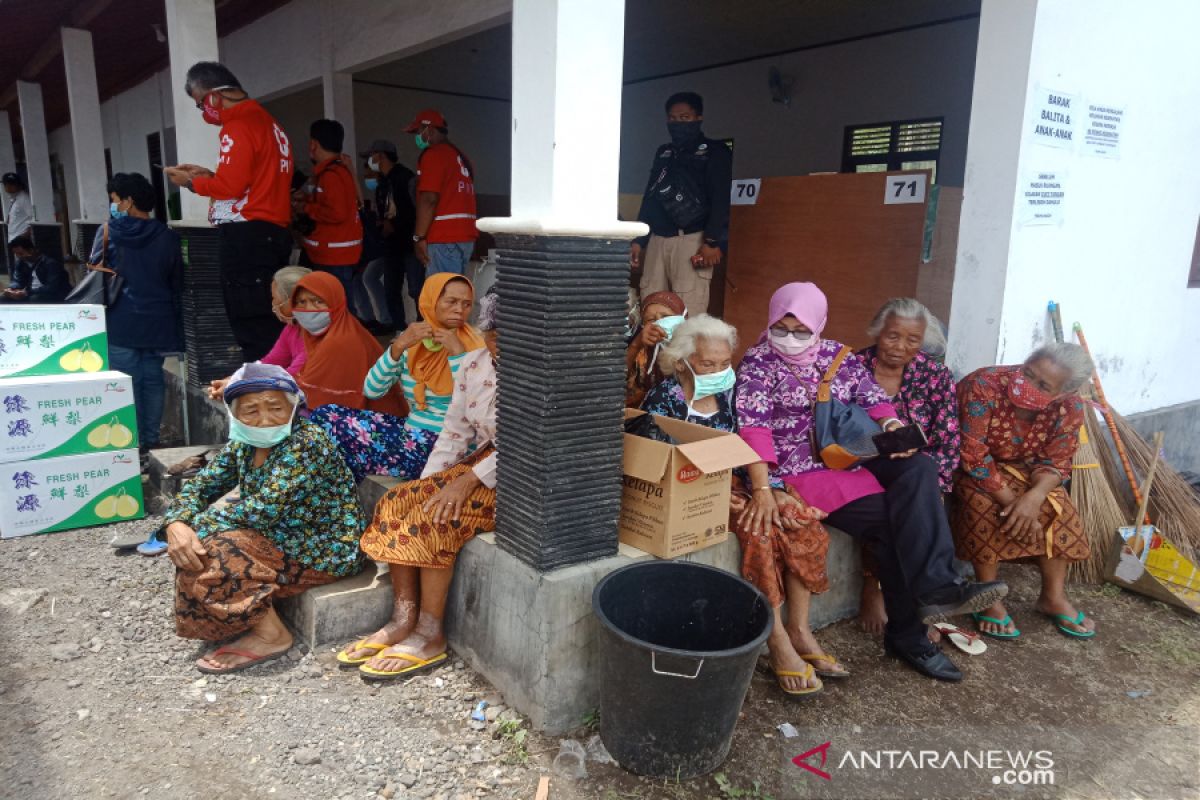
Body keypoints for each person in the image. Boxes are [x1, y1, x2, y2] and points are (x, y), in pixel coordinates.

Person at [735, 282, 1007, 685]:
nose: (790, 339)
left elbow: (870, 394)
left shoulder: (836, 355)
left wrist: (890, 423)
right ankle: (911, 632)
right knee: (894, 522)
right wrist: (762, 488)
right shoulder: (759, 363)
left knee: (920, 469)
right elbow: (753, 427)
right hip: (796, 470)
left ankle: (938, 585)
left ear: (819, 326)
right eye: (781, 328)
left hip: (848, 455)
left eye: (801, 330)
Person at [643, 314, 839, 696]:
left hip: (747, 479)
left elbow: (756, 440)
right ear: (683, 361)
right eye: (707, 364)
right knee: (759, 531)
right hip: (697, 487)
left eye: (723, 363)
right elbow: (665, 463)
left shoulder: (734, 393)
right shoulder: (664, 398)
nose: (719, 371)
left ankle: (800, 629)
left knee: (799, 521)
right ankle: (777, 640)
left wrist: (774, 489)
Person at [337, 291, 500, 679]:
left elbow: (529, 441)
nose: (502, 344)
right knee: (401, 502)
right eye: (496, 333)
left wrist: (462, 484)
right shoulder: (475, 363)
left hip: (522, 475)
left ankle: (430, 634)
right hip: (481, 462)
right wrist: (427, 488)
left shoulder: (541, 373)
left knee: (441, 518)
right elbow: (455, 432)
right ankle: (402, 619)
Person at [164, 363, 365, 674]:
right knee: (197, 541)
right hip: (278, 537)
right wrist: (177, 523)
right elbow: (203, 485)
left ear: (294, 406)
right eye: (251, 410)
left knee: (215, 548)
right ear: (234, 413)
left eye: (275, 408)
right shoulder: (244, 443)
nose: (265, 419)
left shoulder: (307, 443)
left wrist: (193, 527)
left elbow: (263, 509)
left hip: (321, 550)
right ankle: (235, 618)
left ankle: (272, 636)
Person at [952, 343, 1096, 640]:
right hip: (972, 467)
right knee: (982, 504)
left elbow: (1057, 461)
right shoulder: (983, 384)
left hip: (1024, 470)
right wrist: (1013, 503)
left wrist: (1033, 498)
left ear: (1062, 393)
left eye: (1043, 385)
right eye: (1028, 373)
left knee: (1058, 504)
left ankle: (1052, 597)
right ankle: (988, 597)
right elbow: (972, 453)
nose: (1027, 385)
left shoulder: (1070, 407)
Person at [164, 61, 293, 362]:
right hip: (270, 232)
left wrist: (192, 183)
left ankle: (264, 395)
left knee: (252, 325)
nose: (204, 112)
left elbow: (231, 187)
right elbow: (252, 179)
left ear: (212, 97)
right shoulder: (269, 123)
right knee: (271, 318)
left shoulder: (238, 125)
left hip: (248, 237)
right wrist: (209, 174)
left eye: (200, 105)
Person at [311, 273, 482, 483]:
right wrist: (398, 346)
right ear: (431, 300)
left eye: (466, 304)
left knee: (343, 452)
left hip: (449, 445)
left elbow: (475, 403)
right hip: (412, 433)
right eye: (451, 301)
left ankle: (333, 499)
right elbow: (372, 389)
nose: (459, 310)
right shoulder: (413, 342)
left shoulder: (475, 346)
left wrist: (458, 354)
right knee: (325, 415)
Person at [855, 298, 961, 635]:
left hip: (919, 471)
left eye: (912, 340)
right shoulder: (851, 369)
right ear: (877, 332)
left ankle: (922, 597)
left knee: (921, 490)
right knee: (891, 503)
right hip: (862, 466)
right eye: (892, 336)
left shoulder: (935, 375)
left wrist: (938, 486)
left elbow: (948, 438)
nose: (901, 347)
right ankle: (876, 586)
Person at [87, 173, 184, 453]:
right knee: (153, 380)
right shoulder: (168, 237)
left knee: (126, 383)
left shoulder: (108, 232)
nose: (113, 205)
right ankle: (151, 440)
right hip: (158, 321)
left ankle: (131, 441)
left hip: (121, 320)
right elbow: (177, 281)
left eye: (115, 200)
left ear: (128, 201)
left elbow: (95, 270)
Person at [630, 92, 732, 315]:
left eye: (684, 117)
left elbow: (721, 199)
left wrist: (713, 241)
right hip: (658, 239)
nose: (678, 123)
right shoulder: (664, 153)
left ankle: (686, 352)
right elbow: (650, 196)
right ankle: (650, 351)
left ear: (699, 118)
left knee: (689, 309)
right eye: (673, 119)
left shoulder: (716, 152)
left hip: (692, 240)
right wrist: (639, 239)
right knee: (651, 305)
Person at [404, 109, 477, 275]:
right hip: (465, 236)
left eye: (417, 131)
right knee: (455, 294)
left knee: (442, 296)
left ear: (429, 130)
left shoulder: (433, 155)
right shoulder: (461, 158)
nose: (417, 137)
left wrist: (419, 237)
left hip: (443, 238)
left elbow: (429, 198)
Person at [296, 119, 362, 300]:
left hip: (334, 256)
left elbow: (336, 212)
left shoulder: (331, 175)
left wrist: (306, 208)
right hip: (335, 255)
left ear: (314, 144)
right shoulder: (337, 171)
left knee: (337, 310)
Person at [361, 139, 420, 329]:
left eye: (371, 156)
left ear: (381, 155)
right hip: (391, 246)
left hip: (410, 244)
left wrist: (394, 224)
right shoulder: (382, 183)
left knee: (416, 289)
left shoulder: (404, 177)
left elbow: (416, 210)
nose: (370, 160)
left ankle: (424, 330)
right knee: (391, 290)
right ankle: (398, 330)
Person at [625, 290, 687, 408]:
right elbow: (616, 380)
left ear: (683, 316)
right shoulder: (641, 352)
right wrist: (636, 344)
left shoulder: (695, 347)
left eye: (666, 317)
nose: (659, 322)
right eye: (651, 319)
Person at [260, 266, 311, 376]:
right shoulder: (292, 328)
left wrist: (237, 383)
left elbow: (289, 380)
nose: (273, 303)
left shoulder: (317, 339)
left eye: (275, 298)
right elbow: (270, 362)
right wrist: (235, 378)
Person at [3, 236, 69, 303]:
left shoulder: (50, 264)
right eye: (16, 254)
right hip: (31, 293)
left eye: (21, 254)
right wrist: (11, 289)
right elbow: (18, 280)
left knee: (35, 299)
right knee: (4, 298)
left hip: (53, 295)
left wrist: (27, 292)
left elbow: (52, 287)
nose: (19, 256)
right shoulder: (21, 263)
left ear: (31, 250)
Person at [3, 173, 33, 276]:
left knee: (26, 264)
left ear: (18, 185)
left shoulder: (24, 198)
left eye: (12, 184)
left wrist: (26, 236)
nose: (9, 187)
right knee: (20, 265)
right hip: (14, 239)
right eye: (7, 184)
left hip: (22, 239)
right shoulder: (14, 199)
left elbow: (32, 218)